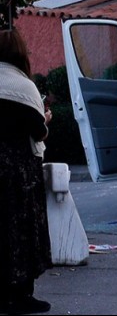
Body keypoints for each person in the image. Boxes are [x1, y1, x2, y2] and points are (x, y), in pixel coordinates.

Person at [0, 29, 53, 314]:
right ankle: (21, 296)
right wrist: (45, 118)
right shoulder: (24, 87)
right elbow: (38, 131)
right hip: (19, 173)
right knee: (23, 231)